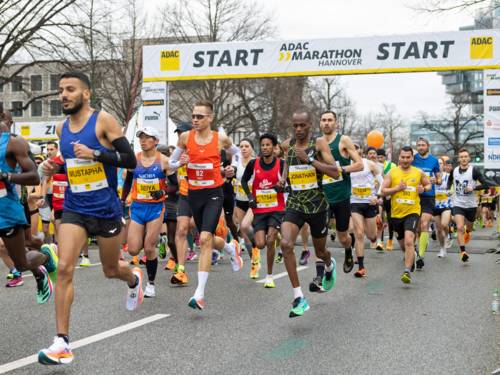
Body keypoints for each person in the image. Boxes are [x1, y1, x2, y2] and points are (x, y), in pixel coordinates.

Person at [38, 71, 141, 365]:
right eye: (60, 90)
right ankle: (62, 341)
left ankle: (133, 278)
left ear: (86, 94)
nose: (64, 95)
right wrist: (52, 168)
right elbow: (71, 166)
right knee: (66, 268)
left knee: (110, 270)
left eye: (70, 89)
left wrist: (97, 153)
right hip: (75, 207)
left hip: (106, 209)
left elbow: (130, 161)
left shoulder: (104, 121)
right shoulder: (62, 128)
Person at [168, 100, 243, 310]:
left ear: (210, 118)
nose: (195, 120)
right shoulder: (185, 138)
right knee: (206, 238)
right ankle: (230, 248)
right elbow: (170, 167)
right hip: (194, 193)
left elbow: (237, 154)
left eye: (199, 116)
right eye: (193, 116)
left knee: (204, 239)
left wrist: (232, 169)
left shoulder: (221, 139)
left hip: (213, 193)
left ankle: (199, 294)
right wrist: (179, 163)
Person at [278, 108, 340, 317]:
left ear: (309, 126)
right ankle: (298, 297)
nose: (298, 129)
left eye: (302, 125)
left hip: (317, 205)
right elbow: (287, 171)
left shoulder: (319, 144)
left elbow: (335, 172)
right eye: (295, 125)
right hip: (295, 203)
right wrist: (281, 181)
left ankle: (330, 265)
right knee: (286, 244)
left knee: (321, 252)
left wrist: (310, 160)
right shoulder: (287, 146)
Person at [0, 112, 56, 299]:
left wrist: (7, 176)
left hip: (6, 211)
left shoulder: (13, 143)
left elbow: (34, 176)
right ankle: (40, 266)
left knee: (21, 262)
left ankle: (47, 257)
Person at [121, 127, 171, 298]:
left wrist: (163, 193)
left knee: (149, 248)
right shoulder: (134, 160)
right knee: (133, 250)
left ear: (156, 141)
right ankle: (155, 242)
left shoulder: (164, 161)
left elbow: (174, 186)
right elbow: (128, 182)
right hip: (138, 207)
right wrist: (121, 200)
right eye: (141, 138)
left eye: (147, 137)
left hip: (156, 209)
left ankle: (151, 284)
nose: (143, 141)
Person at [315, 110, 362, 284]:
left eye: (329, 120)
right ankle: (321, 273)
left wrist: (340, 169)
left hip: (341, 195)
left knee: (343, 237)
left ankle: (348, 250)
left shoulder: (343, 141)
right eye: (323, 120)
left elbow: (359, 164)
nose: (326, 123)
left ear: (336, 123)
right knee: (318, 237)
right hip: (322, 197)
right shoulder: (317, 143)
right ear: (320, 123)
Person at [381, 146, 431, 284]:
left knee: (409, 240)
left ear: (412, 158)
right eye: (403, 157)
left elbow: (428, 186)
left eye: (408, 157)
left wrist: (423, 189)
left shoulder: (418, 172)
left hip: (412, 212)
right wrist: (397, 188)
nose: (405, 160)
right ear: (399, 158)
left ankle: (407, 271)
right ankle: (412, 256)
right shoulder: (392, 173)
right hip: (396, 214)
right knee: (404, 246)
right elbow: (383, 191)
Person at [241, 133, 285, 288]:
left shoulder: (282, 164)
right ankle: (259, 252)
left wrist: (282, 186)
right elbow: (243, 181)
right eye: (263, 145)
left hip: (276, 209)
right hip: (259, 209)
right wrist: (250, 196)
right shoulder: (254, 163)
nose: (265, 147)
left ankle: (269, 276)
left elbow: (289, 185)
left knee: (271, 239)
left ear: (274, 147)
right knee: (260, 244)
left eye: (268, 145)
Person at [447, 148, 491, 263]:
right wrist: (448, 189)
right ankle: (463, 252)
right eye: (461, 157)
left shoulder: (474, 171)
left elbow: (486, 184)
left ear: (469, 158)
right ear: (458, 159)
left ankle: (468, 232)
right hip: (458, 203)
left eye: (465, 156)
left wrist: (474, 188)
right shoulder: (454, 170)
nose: (463, 159)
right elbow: (450, 180)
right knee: (460, 227)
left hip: (471, 205)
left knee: (469, 227)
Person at [350, 143, 383, 277]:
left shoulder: (370, 164)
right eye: (353, 149)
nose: (355, 152)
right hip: (355, 202)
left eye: (357, 149)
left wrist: (377, 196)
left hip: (369, 202)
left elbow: (382, 182)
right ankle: (361, 267)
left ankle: (377, 228)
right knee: (359, 233)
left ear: (361, 151)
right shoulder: (348, 166)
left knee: (371, 236)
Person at [411, 137, 441, 270]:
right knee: (417, 228)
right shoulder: (413, 159)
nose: (420, 147)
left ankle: (420, 256)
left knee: (424, 223)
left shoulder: (434, 161)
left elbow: (439, 179)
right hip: (415, 196)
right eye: (418, 145)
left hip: (429, 196)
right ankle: (418, 246)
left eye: (423, 145)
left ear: (428, 146)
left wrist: (436, 180)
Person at [233, 138, 260, 278]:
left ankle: (256, 250)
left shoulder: (256, 162)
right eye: (241, 146)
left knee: (245, 226)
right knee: (244, 234)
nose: (243, 148)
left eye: (246, 146)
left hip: (253, 201)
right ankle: (254, 261)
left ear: (251, 148)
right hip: (239, 199)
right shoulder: (236, 162)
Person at [377, 148, 396, 250]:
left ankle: (390, 240)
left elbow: (395, 178)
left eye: (381, 157)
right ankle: (380, 241)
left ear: (384, 157)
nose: (379, 159)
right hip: (378, 194)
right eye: (378, 157)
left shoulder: (391, 165)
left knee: (389, 218)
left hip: (388, 194)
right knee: (379, 217)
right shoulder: (374, 165)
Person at [434, 157, 453, 258]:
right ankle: (442, 248)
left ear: (444, 165)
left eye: (441, 163)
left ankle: (448, 236)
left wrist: (451, 192)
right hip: (435, 205)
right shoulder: (432, 177)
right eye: (437, 164)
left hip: (446, 205)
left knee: (443, 225)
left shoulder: (449, 176)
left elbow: (453, 188)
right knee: (439, 228)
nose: (439, 165)